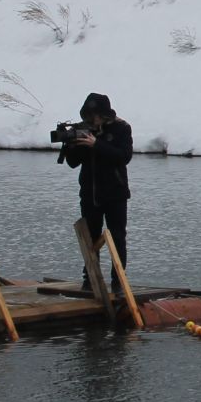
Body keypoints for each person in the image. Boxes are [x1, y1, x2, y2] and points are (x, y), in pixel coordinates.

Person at [60, 91, 132, 276]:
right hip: (90, 194)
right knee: (90, 237)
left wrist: (97, 145)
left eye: (97, 116)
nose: (93, 120)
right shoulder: (83, 130)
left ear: (105, 115)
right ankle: (91, 278)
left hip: (115, 194)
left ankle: (118, 279)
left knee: (117, 237)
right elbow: (73, 163)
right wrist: (72, 145)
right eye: (90, 116)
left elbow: (124, 157)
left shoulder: (121, 128)